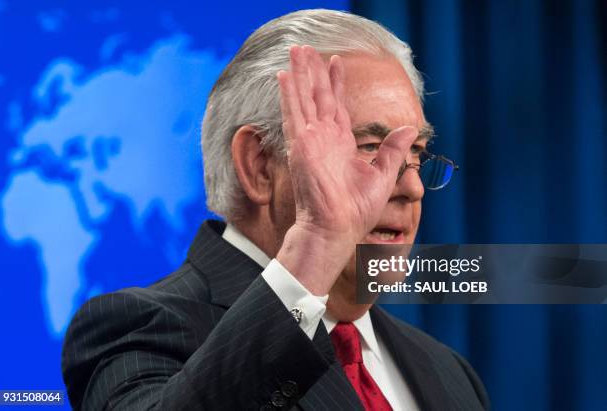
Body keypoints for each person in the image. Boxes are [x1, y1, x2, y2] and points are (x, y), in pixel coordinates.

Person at [62, 9, 490, 411]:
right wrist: (318, 244)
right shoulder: (140, 327)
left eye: (415, 152)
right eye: (370, 149)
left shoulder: (450, 373)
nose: (412, 186)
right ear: (259, 166)